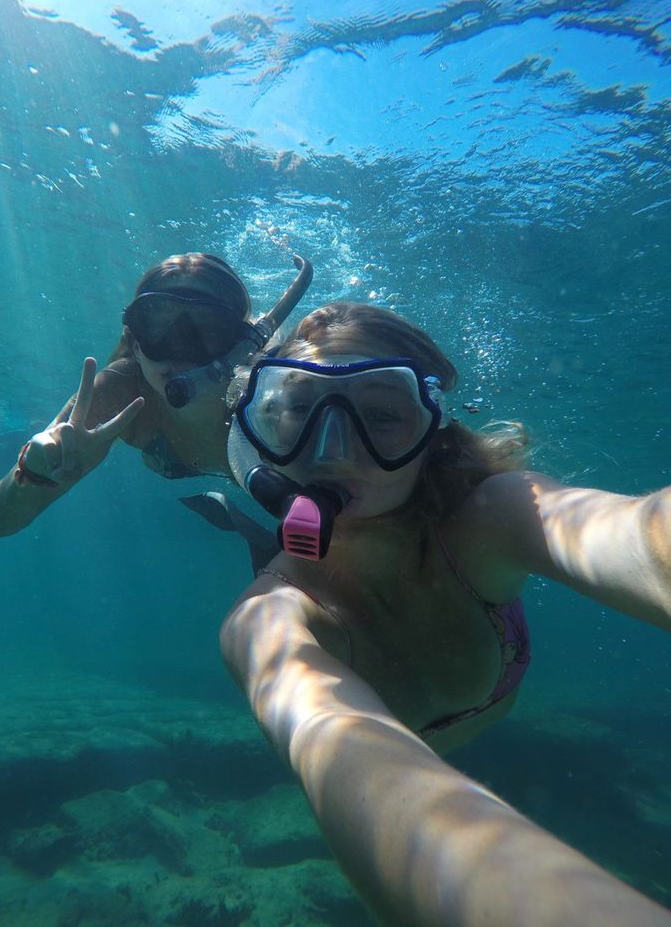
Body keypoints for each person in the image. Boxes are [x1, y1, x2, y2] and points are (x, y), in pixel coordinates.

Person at [220, 301, 671, 926]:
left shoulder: (489, 518)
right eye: (298, 410)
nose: (333, 450)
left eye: (380, 414)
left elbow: (638, 537)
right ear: (260, 426)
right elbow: (347, 754)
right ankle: (252, 532)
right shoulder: (268, 621)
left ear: (429, 428)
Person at [0, 252, 311, 546]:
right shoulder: (122, 390)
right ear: (136, 344)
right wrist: (35, 473)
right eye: (157, 325)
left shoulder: (280, 390)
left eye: (207, 329)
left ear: (242, 343)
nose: (179, 347)